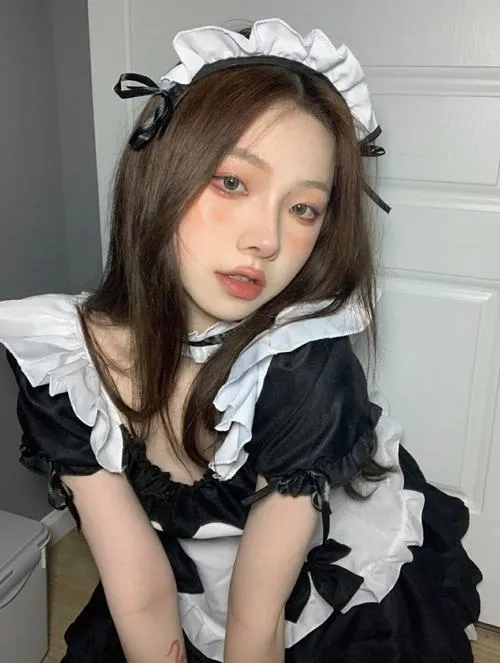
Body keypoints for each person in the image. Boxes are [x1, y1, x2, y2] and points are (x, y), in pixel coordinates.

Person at [0, 18, 481, 663]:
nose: (267, 240)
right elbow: (137, 587)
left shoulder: (304, 370)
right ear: (161, 173)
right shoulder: (66, 367)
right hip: (179, 578)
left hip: (301, 594)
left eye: (303, 208)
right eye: (232, 182)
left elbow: (258, 621)